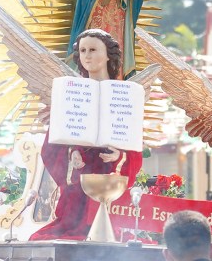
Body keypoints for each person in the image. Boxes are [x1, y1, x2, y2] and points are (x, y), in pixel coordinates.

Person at [29, 29, 143, 240]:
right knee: (44, 239)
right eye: (83, 50)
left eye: (93, 49)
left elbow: (134, 147)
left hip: (110, 177)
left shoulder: (124, 94)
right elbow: (52, 145)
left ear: (108, 54)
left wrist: (119, 156)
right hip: (79, 188)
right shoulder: (71, 93)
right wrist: (72, 154)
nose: (87, 56)